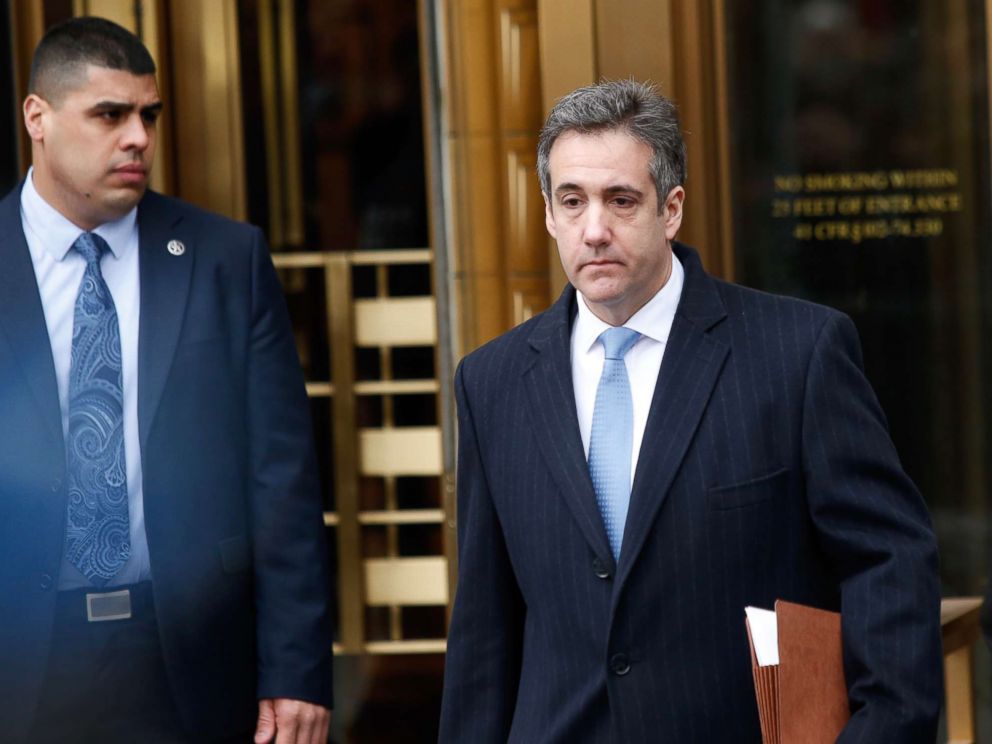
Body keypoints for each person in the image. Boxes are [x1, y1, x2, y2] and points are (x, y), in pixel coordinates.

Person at [439, 80, 942, 742]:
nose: (594, 230)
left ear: (671, 209)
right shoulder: (492, 381)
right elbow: (485, 625)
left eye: (621, 201)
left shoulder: (797, 354)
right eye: (573, 201)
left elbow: (888, 564)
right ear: (548, 215)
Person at [0, 17, 333, 743]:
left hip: (191, 654)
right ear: (39, 118)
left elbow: (283, 481)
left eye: (148, 115)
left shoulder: (224, 258)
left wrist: (295, 668)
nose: (139, 139)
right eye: (109, 115)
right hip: (21, 658)